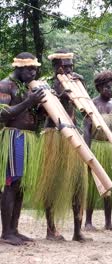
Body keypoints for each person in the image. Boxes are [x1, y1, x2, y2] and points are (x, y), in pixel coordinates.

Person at [33, 50, 90, 242]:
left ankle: (77, 231)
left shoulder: (75, 83)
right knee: (51, 183)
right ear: (57, 67)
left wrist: (79, 87)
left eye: (71, 66)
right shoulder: (44, 84)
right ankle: (51, 230)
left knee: (78, 184)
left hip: (73, 135)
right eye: (66, 66)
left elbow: (86, 107)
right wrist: (58, 95)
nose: (69, 70)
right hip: (54, 136)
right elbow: (41, 113)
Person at [0, 53, 45, 245]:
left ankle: (15, 229)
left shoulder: (29, 88)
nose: (32, 73)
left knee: (20, 186)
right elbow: (2, 115)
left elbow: (35, 116)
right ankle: (6, 232)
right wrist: (28, 102)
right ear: (18, 68)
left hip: (27, 139)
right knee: (10, 184)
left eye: (34, 69)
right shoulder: (5, 85)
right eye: (28, 69)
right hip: (12, 137)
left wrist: (40, 107)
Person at [83, 70, 112, 231]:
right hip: (96, 147)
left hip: (111, 147)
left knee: (110, 184)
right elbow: (86, 129)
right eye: (106, 87)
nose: (109, 90)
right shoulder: (91, 104)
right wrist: (87, 151)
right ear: (98, 88)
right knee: (93, 185)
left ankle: (108, 221)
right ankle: (88, 221)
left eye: (111, 87)